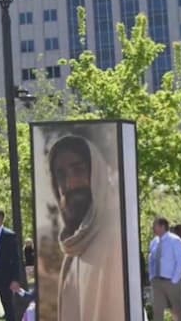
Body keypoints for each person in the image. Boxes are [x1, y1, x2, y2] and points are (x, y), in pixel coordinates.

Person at [44, 134, 122, 320]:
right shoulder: (74, 245)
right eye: (61, 175)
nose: (70, 184)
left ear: (97, 174)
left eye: (78, 171)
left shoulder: (115, 236)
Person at [149, 217, 181, 321]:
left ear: (162, 227)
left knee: (177, 310)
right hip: (157, 281)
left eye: (155, 226)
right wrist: (152, 277)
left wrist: (174, 280)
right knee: (157, 311)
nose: (153, 228)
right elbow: (151, 260)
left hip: (171, 282)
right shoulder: (154, 242)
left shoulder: (175, 241)